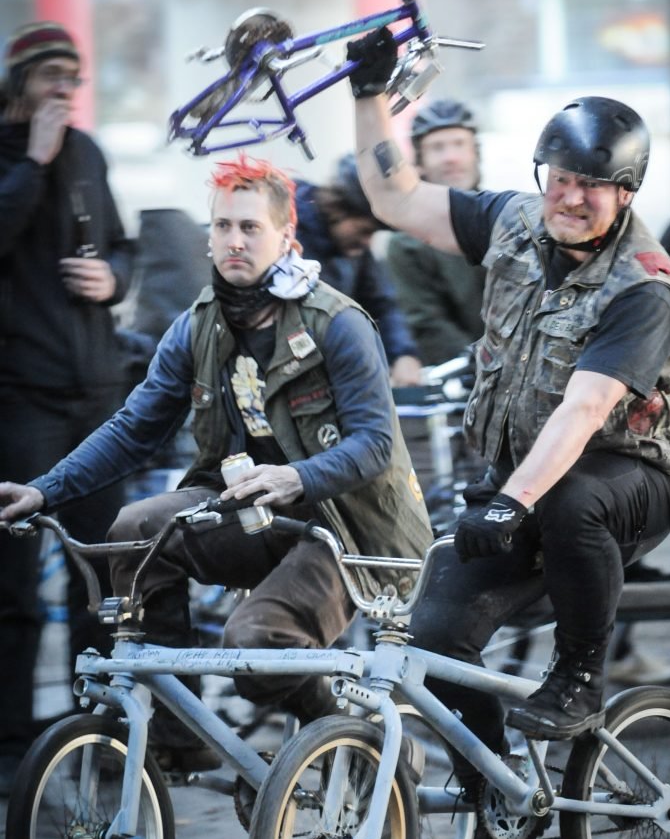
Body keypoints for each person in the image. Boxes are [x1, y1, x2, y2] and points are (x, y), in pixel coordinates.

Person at [345, 26, 670, 839]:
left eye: (592, 185)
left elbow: (583, 411)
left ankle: (581, 675)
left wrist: (509, 500)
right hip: (526, 487)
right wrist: (370, 95)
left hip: (628, 483)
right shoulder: (510, 223)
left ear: (626, 192)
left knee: (575, 499)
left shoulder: (643, 287)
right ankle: (497, 810)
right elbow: (394, 196)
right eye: (560, 177)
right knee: (434, 638)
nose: (569, 198)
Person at [0, 154, 432, 773]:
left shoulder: (338, 323)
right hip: (254, 515)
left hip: (349, 530)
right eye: (223, 226)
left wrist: (295, 476)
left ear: (286, 236)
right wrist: (43, 491)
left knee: (257, 645)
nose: (234, 241)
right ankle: (181, 733)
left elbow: (374, 444)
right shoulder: (196, 326)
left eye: (251, 228)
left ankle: (357, 738)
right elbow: (133, 429)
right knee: (134, 530)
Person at [0, 21, 135, 797]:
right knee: (15, 583)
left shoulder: (89, 152)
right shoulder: (14, 153)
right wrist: (34, 159)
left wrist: (114, 279)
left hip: (96, 393)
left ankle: (102, 730)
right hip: (22, 395)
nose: (64, 89)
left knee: (102, 572)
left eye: (72, 77)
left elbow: (123, 246)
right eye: (51, 75)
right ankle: (10, 746)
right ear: (19, 81)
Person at [295, 154, 423, 386]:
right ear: (337, 210)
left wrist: (402, 354)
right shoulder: (289, 235)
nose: (367, 242)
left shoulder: (354, 252)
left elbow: (381, 303)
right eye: (364, 230)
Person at [385, 99, 486, 365]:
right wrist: (485, 364)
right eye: (437, 148)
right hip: (466, 373)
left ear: (475, 153)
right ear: (419, 162)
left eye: (459, 144)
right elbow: (427, 323)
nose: (451, 157)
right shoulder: (407, 241)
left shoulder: (507, 220)